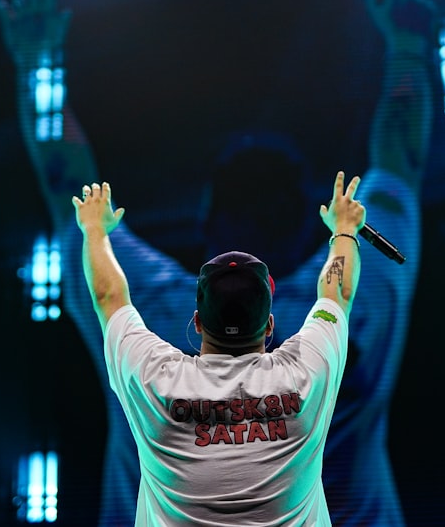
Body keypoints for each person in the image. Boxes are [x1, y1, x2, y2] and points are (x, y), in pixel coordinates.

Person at [0, 0, 433, 524]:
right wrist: (408, 47)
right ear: (271, 325)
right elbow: (399, 164)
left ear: (196, 323)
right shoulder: (338, 333)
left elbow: (68, 194)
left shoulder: (154, 326)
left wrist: (39, 58)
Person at [71, 172, 363, 525]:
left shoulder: (155, 376)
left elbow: (109, 296)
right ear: (270, 326)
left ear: (197, 321)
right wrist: (344, 229)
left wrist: (93, 230)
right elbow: (337, 293)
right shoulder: (306, 370)